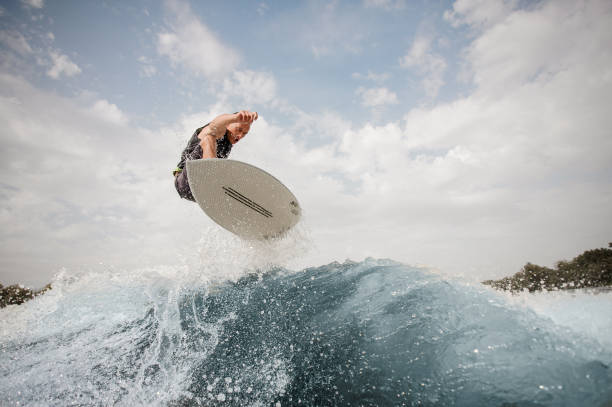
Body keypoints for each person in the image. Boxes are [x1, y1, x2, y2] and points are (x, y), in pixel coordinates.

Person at [173, 110, 258, 201]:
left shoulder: (228, 143)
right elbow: (215, 124)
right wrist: (235, 118)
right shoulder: (219, 132)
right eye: (239, 129)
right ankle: (215, 184)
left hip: (200, 190)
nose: (240, 135)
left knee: (231, 169)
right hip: (186, 182)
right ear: (228, 125)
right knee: (209, 139)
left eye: (245, 133)